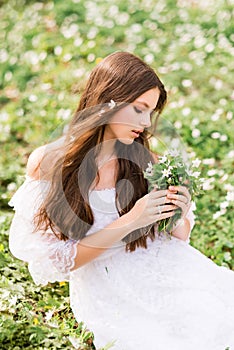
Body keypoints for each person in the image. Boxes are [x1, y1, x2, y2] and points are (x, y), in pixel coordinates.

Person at [8, 52, 234, 350]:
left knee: (216, 312)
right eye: (139, 109)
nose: (146, 123)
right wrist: (132, 220)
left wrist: (178, 211)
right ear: (109, 100)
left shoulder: (146, 161)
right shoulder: (50, 163)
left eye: (151, 113)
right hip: (111, 289)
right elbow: (58, 261)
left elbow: (177, 239)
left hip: (169, 267)